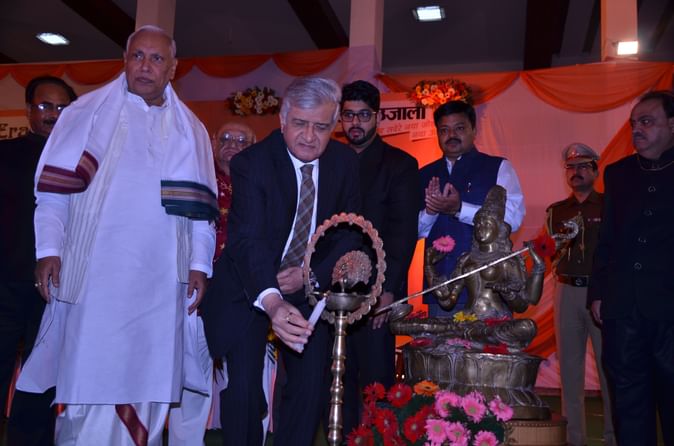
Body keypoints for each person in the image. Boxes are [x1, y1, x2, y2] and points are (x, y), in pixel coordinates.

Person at [16, 25, 217, 445]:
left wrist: (199, 264)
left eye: (156, 58)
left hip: (162, 283)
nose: (145, 66)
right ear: (124, 60)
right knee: (89, 376)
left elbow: (203, 213)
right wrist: (48, 250)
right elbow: (51, 195)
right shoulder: (83, 114)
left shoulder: (192, 130)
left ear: (173, 68)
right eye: (137, 56)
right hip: (95, 281)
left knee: (152, 379)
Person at [200, 76, 361, 446]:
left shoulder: (344, 163)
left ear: (334, 125)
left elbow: (349, 232)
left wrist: (309, 275)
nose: (309, 136)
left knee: (308, 389)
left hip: (310, 288)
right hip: (248, 287)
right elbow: (247, 240)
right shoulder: (252, 163)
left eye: (321, 127)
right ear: (283, 120)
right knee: (244, 390)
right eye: (300, 124)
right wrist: (271, 298)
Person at [589, 90, 674, 445]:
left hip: (669, 312)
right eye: (634, 123)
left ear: (672, 125)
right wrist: (598, 292)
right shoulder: (618, 173)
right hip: (623, 312)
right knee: (629, 407)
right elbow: (607, 236)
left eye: (647, 122)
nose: (637, 129)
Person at [338, 80, 419, 437]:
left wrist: (387, 292)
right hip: (331, 292)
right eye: (348, 115)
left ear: (377, 117)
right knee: (336, 380)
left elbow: (403, 233)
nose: (355, 123)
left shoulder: (400, 164)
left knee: (376, 384)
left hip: (376, 294)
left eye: (363, 115)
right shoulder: (330, 160)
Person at [168, 121, 257, 446]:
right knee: (192, 376)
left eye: (242, 140)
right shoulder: (198, 177)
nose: (233, 144)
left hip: (244, 294)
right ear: (213, 142)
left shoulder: (260, 182)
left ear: (254, 146)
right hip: (196, 287)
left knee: (246, 381)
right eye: (226, 138)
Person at [0, 75, 76, 446]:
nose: (53, 114)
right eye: (45, 106)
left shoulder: (80, 162)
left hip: (54, 289)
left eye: (62, 107)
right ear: (29, 109)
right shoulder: (5, 154)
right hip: (5, 284)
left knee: (41, 380)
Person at [418, 100, 525, 317]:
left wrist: (460, 209)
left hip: (488, 289)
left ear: (474, 130)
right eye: (444, 130)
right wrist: (431, 211)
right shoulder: (424, 173)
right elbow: (415, 231)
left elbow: (513, 219)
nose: (451, 135)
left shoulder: (498, 167)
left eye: (459, 128)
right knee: (440, 340)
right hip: (440, 288)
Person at [545, 143, 614, 446]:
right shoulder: (556, 211)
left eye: (583, 166)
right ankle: (574, 439)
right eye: (571, 168)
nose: (576, 172)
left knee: (608, 367)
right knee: (569, 371)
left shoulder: (610, 206)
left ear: (595, 172)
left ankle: (614, 436)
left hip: (602, 293)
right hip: (566, 291)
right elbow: (549, 252)